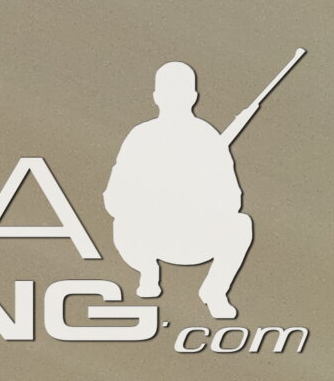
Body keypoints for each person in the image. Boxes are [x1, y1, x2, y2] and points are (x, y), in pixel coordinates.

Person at [110, 60, 259, 320]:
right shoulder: (141, 136)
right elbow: (115, 196)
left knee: (241, 225)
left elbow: (232, 199)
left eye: (178, 93)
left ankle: (214, 290)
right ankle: (148, 271)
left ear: (193, 97)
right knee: (122, 223)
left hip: (196, 235)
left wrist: (197, 197)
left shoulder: (207, 137)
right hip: (149, 235)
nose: (173, 99)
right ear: (156, 97)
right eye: (169, 93)